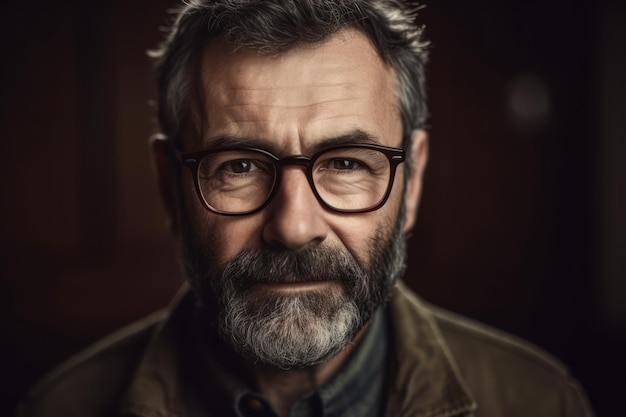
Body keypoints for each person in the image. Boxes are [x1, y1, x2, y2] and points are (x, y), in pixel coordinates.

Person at [18, 1, 595, 416]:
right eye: (239, 166)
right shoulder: (57, 408)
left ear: (411, 183)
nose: (293, 227)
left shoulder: (542, 402)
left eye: (346, 163)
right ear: (170, 188)